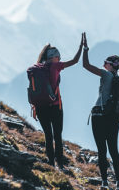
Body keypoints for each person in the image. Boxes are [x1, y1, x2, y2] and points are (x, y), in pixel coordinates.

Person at [81, 32, 119, 190]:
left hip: (99, 115)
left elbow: (86, 66)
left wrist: (85, 49)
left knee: (102, 151)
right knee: (114, 150)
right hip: (113, 118)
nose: (103, 64)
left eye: (105, 62)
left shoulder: (106, 75)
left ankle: (104, 183)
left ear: (110, 65)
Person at [28, 36, 82, 169]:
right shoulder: (55, 66)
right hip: (55, 106)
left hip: (40, 107)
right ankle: (60, 165)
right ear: (56, 57)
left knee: (48, 135)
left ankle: (51, 163)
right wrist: (82, 46)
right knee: (57, 135)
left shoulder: (36, 68)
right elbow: (75, 61)